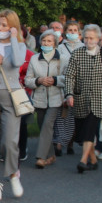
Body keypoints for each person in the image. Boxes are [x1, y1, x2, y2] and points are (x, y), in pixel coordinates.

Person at [63, 25, 102, 173]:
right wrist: (69, 94)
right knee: (82, 134)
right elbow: (70, 76)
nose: (89, 41)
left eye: (92, 38)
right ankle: (93, 160)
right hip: (80, 98)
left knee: (89, 129)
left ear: (98, 39)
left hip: (99, 99)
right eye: (86, 38)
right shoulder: (77, 54)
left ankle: (83, 161)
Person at [0, 9, 27, 198]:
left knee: (10, 140)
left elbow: (19, 61)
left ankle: (13, 174)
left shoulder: (18, 44)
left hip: (11, 95)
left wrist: (13, 38)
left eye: (5, 25)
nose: (0, 28)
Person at [25, 30, 63, 168]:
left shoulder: (62, 58)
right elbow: (27, 80)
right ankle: (51, 155)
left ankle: (40, 157)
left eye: (49, 41)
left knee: (48, 125)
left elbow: (68, 78)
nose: (46, 43)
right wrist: (39, 80)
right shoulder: (34, 59)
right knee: (43, 128)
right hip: (39, 98)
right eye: (44, 40)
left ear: (55, 44)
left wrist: (54, 80)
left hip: (55, 98)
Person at [53, 19, 84, 157]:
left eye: (75, 30)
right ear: (65, 32)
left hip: (79, 85)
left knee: (75, 116)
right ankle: (59, 142)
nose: (72, 33)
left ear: (79, 32)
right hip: (64, 83)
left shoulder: (83, 47)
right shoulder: (60, 47)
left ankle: (70, 142)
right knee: (62, 114)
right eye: (70, 30)